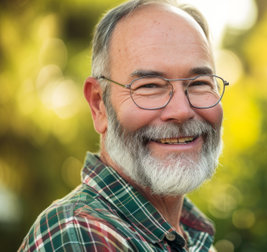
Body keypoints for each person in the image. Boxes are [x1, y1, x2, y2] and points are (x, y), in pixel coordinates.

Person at [19, 0, 228, 251]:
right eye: (150, 86)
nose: (182, 111)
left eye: (199, 83)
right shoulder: (79, 232)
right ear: (99, 105)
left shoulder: (191, 237)